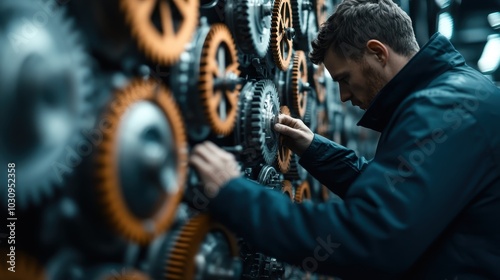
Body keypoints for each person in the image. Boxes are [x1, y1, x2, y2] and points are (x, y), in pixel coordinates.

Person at [189, 0, 500, 278]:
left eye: (345, 79)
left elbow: (370, 238)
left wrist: (235, 194)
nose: (344, 96)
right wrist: (314, 149)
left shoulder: (445, 108)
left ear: (378, 53)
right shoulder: (451, 95)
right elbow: (399, 194)